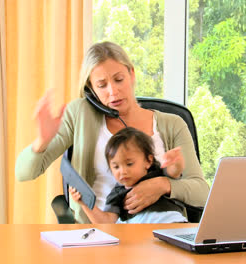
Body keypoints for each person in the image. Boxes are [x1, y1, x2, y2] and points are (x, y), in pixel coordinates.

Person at [15, 41, 209, 223]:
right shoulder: (79, 115)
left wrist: (163, 185)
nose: (113, 91)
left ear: (131, 74)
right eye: (101, 85)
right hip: (102, 233)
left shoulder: (172, 124)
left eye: (119, 80)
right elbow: (23, 173)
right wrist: (42, 140)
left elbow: (202, 192)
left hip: (163, 231)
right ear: (91, 89)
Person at [69, 127, 188, 223]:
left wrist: (175, 161)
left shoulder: (157, 174)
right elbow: (107, 223)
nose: (122, 171)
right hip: (142, 240)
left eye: (129, 164)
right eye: (116, 167)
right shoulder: (116, 194)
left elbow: (174, 172)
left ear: (148, 161)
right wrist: (84, 203)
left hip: (171, 226)